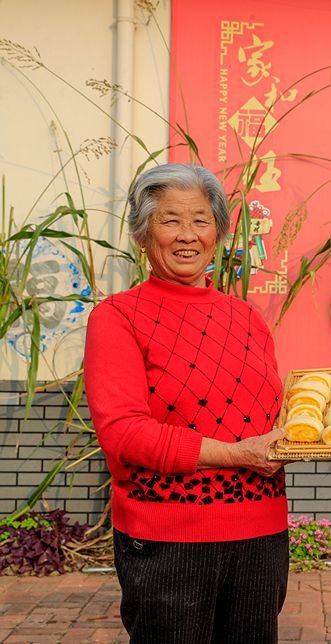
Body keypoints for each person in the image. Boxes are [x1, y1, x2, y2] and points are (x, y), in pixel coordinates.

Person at [84, 163, 289, 643]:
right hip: (167, 539)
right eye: (170, 219)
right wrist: (236, 455)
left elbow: (273, 411)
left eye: (200, 220)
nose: (187, 235)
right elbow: (125, 433)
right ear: (142, 233)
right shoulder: (117, 318)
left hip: (260, 535)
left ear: (217, 232)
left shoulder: (246, 317)